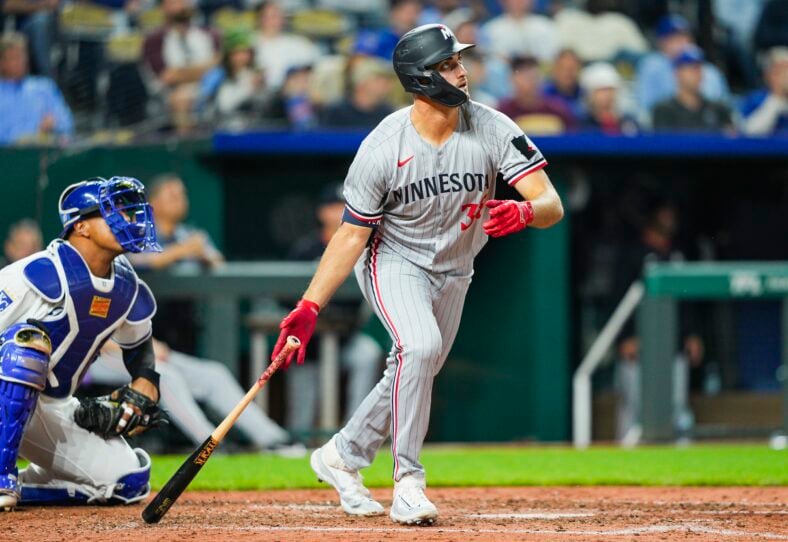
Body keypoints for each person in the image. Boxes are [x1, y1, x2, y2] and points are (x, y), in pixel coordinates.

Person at [271, 24, 563, 525]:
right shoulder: (383, 146)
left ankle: (342, 454)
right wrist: (310, 304)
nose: (462, 71)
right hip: (393, 259)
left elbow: (550, 201)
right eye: (449, 64)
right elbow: (349, 236)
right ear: (421, 78)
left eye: (459, 61)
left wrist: (526, 213)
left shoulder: (492, 125)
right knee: (420, 348)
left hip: (456, 267)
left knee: (416, 365)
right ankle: (408, 481)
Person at [0, 176, 163, 511]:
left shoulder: (125, 286)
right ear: (82, 227)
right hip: (6, 388)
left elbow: (139, 346)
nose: (129, 220)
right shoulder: (37, 273)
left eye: (129, 212)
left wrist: (146, 380)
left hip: (50, 405)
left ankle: (30, 486)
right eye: (114, 212)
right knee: (26, 347)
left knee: (128, 482)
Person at [285, 183, 384, 436]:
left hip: (344, 338)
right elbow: (285, 297)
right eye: (333, 207)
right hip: (310, 343)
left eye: (344, 206)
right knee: (302, 389)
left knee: (368, 353)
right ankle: (297, 440)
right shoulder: (305, 250)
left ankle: (353, 433)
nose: (339, 212)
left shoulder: (363, 247)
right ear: (322, 213)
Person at [142, 0, 220, 133]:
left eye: (183, 1)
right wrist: (204, 70)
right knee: (181, 98)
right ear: (163, 7)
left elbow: (220, 63)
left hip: (209, 88)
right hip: (169, 95)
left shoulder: (207, 34)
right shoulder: (154, 39)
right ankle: (186, 147)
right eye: (174, 2)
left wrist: (184, 73)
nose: (180, 6)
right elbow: (168, 76)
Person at [634, 14, 730, 120]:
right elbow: (645, 107)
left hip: (707, 125)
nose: (681, 43)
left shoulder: (710, 71)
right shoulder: (653, 65)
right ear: (662, 42)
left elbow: (724, 106)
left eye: (684, 37)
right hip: (665, 122)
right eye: (674, 38)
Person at [0, 33, 73, 145]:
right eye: (15, 57)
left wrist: (55, 124)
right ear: (2, 63)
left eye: (23, 56)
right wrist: (28, 135)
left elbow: (67, 123)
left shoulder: (44, 87)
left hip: (43, 153)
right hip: (7, 157)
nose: (21, 62)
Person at [652, 46, 734, 133]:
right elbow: (663, 144)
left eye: (699, 68)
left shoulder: (719, 109)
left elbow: (731, 140)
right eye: (691, 68)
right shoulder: (664, 110)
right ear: (677, 73)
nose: (697, 73)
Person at [497, 55, 577, 134]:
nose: (530, 80)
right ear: (512, 79)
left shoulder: (558, 108)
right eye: (524, 74)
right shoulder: (503, 112)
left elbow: (573, 138)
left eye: (533, 75)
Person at [320, 58, 394, 129]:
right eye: (379, 81)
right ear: (362, 82)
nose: (387, 86)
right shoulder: (336, 111)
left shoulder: (386, 112)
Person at [579, 62, 638, 134]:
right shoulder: (583, 125)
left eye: (610, 89)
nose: (607, 95)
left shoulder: (628, 123)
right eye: (601, 90)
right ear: (590, 94)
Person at [740, 46, 788, 136]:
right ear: (767, 75)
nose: (785, 77)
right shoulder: (754, 99)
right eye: (780, 72)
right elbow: (750, 132)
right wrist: (777, 97)